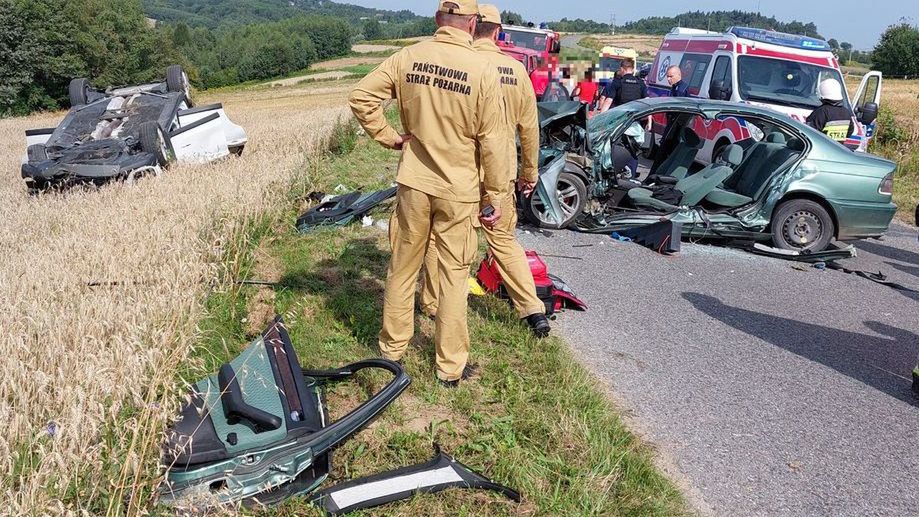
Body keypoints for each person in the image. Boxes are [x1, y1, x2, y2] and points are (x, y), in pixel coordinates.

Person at [348, 0, 508, 387]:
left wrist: (390, 138)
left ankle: (391, 351)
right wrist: (496, 196)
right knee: (454, 277)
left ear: (439, 19)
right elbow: (494, 143)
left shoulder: (408, 57)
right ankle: (449, 368)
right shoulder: (484, 71)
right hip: (459, 190)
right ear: (472, 24)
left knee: (403, 268)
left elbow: (361, 97)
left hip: (414, 183)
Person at [420, 3, 550, 338]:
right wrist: (529, 172)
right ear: (497, 30)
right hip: (499, 172)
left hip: (457, 170)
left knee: (440, 237)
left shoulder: (459, 64)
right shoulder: (515, 70)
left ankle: (432, 304)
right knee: (504, 239)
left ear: (470, 26)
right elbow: (529, 128)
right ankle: (533, 310)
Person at [805, 78, 854, 142]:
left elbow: (808, 133)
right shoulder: (846, 113)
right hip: (836, 150)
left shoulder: (821, 112)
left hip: (820, 149)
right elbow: (849, 132)